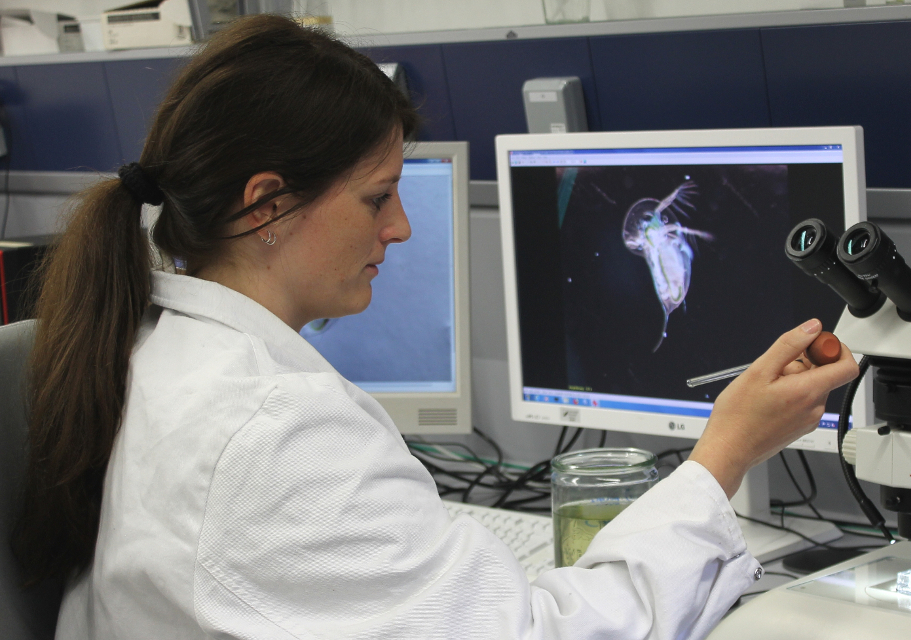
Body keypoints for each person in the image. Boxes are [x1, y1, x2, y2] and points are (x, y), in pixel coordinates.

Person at [12, 15, 858, 639]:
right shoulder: (272, 432)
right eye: (378, 197)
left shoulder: (156, 349)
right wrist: (724, 457)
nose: (401, 229)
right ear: (267, 205)